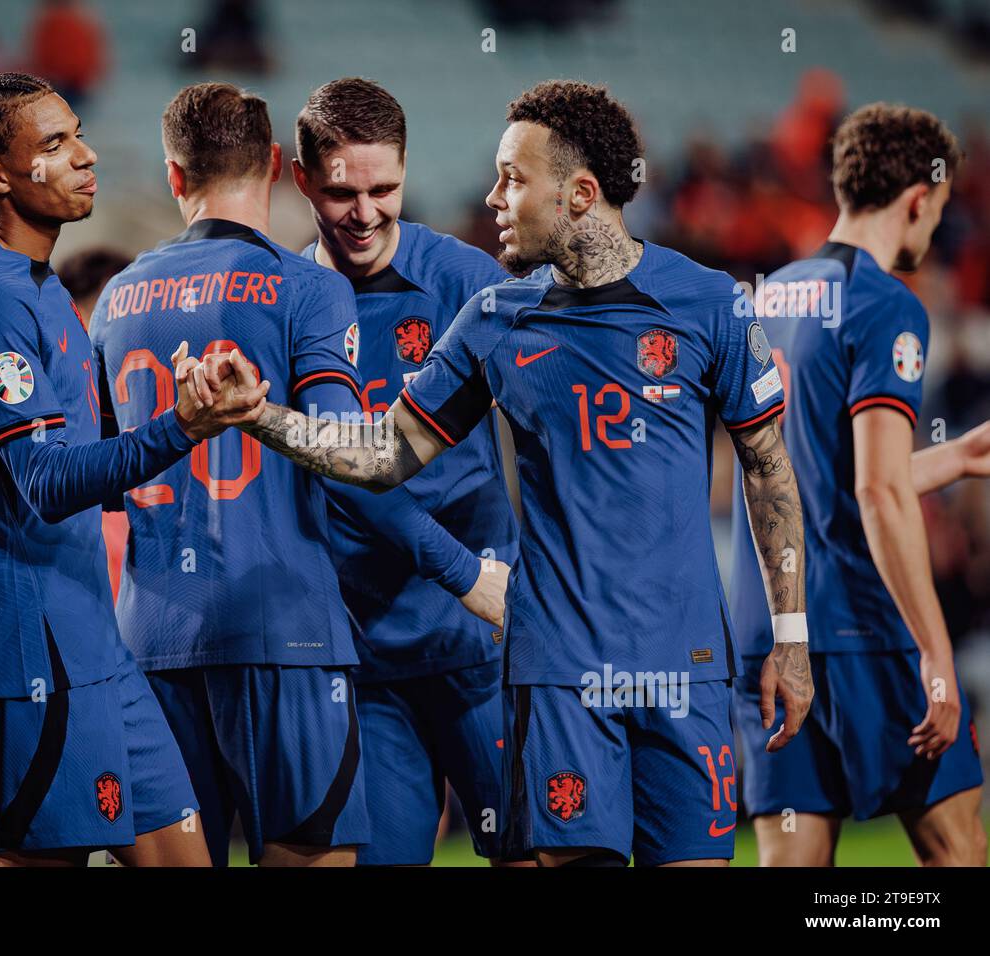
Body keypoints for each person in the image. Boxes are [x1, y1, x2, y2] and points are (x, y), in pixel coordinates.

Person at [191, 80, 814, 867]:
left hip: (683, 669)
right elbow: (382, 454)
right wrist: (260, 416)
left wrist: (790, 640)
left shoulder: (711, 305)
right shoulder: (494, 320)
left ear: (579, 195)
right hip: (556, 677)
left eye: (513, 179)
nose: (492, 198)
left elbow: (768, 472)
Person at [0, 72, 265, 867]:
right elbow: (44, 484)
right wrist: (181, 426)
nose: (86, 155)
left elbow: (74, 446)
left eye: (76, 132)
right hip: (26, 646)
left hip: (91, 642)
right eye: (53, 144)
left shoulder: (40, 286)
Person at [90, 82, 375, 867]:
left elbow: (104, 473)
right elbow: (347, 453)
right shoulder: (312, 289)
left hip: (148, 639)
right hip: (286, 626)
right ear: (278, 166)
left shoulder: (114, 301)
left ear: (174, 177)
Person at [729, 103, 988, 867]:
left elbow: (824, 477)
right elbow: (876, 494)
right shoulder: (885, 305)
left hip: (768, 628)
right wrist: (936, 656)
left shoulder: (766, 299)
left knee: (796, 865)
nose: (932, 230)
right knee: (955, 850)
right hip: (860, 632)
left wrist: (959, 456)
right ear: (917, 198)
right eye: (936, 211)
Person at [290, 77, 521, 866]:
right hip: (368, 661)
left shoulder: (468, 284)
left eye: (384, 188)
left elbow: (556, 430)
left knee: (537, 853)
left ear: (405, 171)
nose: (365, 213)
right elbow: (337, 478)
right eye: (340, 192)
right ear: (300, 181)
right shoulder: (286, 302)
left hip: (484, 639)